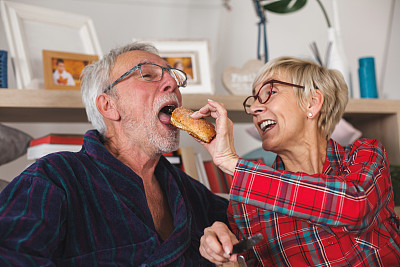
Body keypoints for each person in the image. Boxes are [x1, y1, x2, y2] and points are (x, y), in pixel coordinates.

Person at [0, 42, 229, 266]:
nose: (172, 84)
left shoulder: (189, 191)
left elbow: (259, 234)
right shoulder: (53, 178)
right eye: (148, 75)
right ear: (109, 106)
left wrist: (229, 162)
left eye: (175, 78)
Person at [195, 56, 400, 266]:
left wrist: (232, 164)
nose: (254, 109)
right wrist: (221, 244)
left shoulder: (365, 154)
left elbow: (353, 205)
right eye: (254, 99)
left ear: (312, 102)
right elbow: (238, 258)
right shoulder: (246, 206)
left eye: (270, 93)